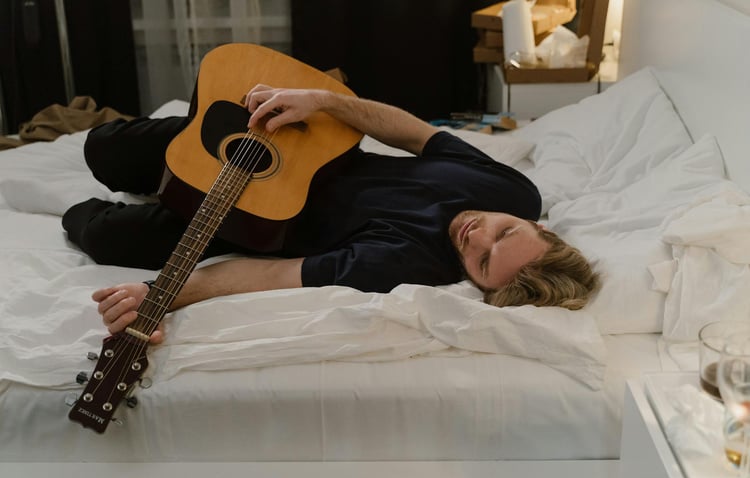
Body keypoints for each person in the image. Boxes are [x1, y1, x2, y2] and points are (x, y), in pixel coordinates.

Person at [62, 84, 600, 343]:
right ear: (537, 225)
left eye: (481, 262)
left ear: (479, 286)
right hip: (298, 142)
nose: (475, 235)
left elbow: (270, 274)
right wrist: (323, 101)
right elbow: (415, 134)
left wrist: (160, 294)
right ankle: (160, 173)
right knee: (102, 149)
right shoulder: (513, 191)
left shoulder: (404, 265)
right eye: (503, 231)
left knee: (100, 233)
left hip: (253, 217)